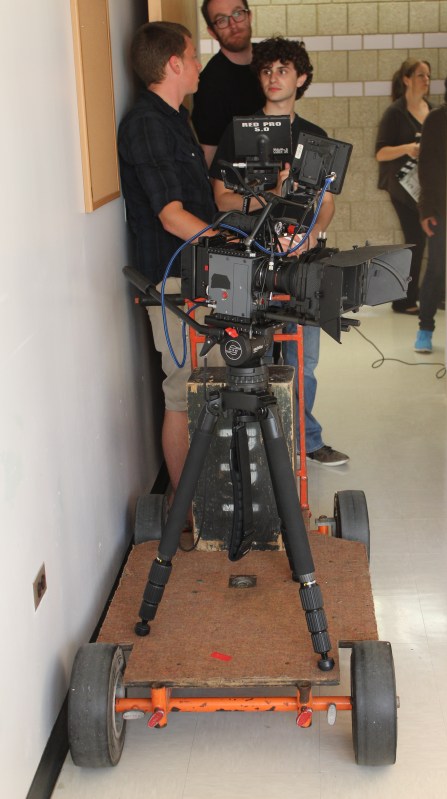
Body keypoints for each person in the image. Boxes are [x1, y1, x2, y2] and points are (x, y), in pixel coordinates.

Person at [210, 37, 349, 467]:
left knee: (302, 359)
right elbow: (222, 199)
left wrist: (312, 235)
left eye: (283, 70)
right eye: (267, 70)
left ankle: (304, 440)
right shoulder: (238, 134)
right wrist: (271, 195)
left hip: (300, 262)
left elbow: (326, 202)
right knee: (252, 356)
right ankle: (254, 448)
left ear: (301, 78)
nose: (274, 78)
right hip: (248, 259)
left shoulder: (315, 138)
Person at [118, 21, 222, 494]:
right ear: (175, 63)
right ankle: (186, 511)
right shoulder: (146, 124)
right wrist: (228, 246)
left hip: (199, 274)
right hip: (175, 281)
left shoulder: (178, 118)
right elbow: (171, 215)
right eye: (194, 55)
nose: (200, 64)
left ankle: (214, 499)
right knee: (182, 390)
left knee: (213, 385)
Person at [375, 58, 432, 314]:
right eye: (421, 75)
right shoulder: (395, 113)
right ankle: (405, 299)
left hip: (425, 186)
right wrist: (408, 148)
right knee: (415, 238)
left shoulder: (432, 110)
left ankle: (429, 294)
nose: (426, 80)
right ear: (407, 79)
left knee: (429, 239)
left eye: (428, 76)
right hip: (401, 186)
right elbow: (380, 152)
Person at [191, 1, 264, 167]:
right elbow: (209, 156)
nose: (233, 25)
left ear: (249, 16)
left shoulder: (272, 60)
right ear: (212, 32)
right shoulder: (209, 85)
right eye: (222, 20)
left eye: (238, 13)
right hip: (239, 179)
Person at [414, 79, 447, 353]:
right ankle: (425, 328)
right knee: (436, 269)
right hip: (440, 209)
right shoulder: (437, 119)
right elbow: (425, 167)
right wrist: (426, 210)